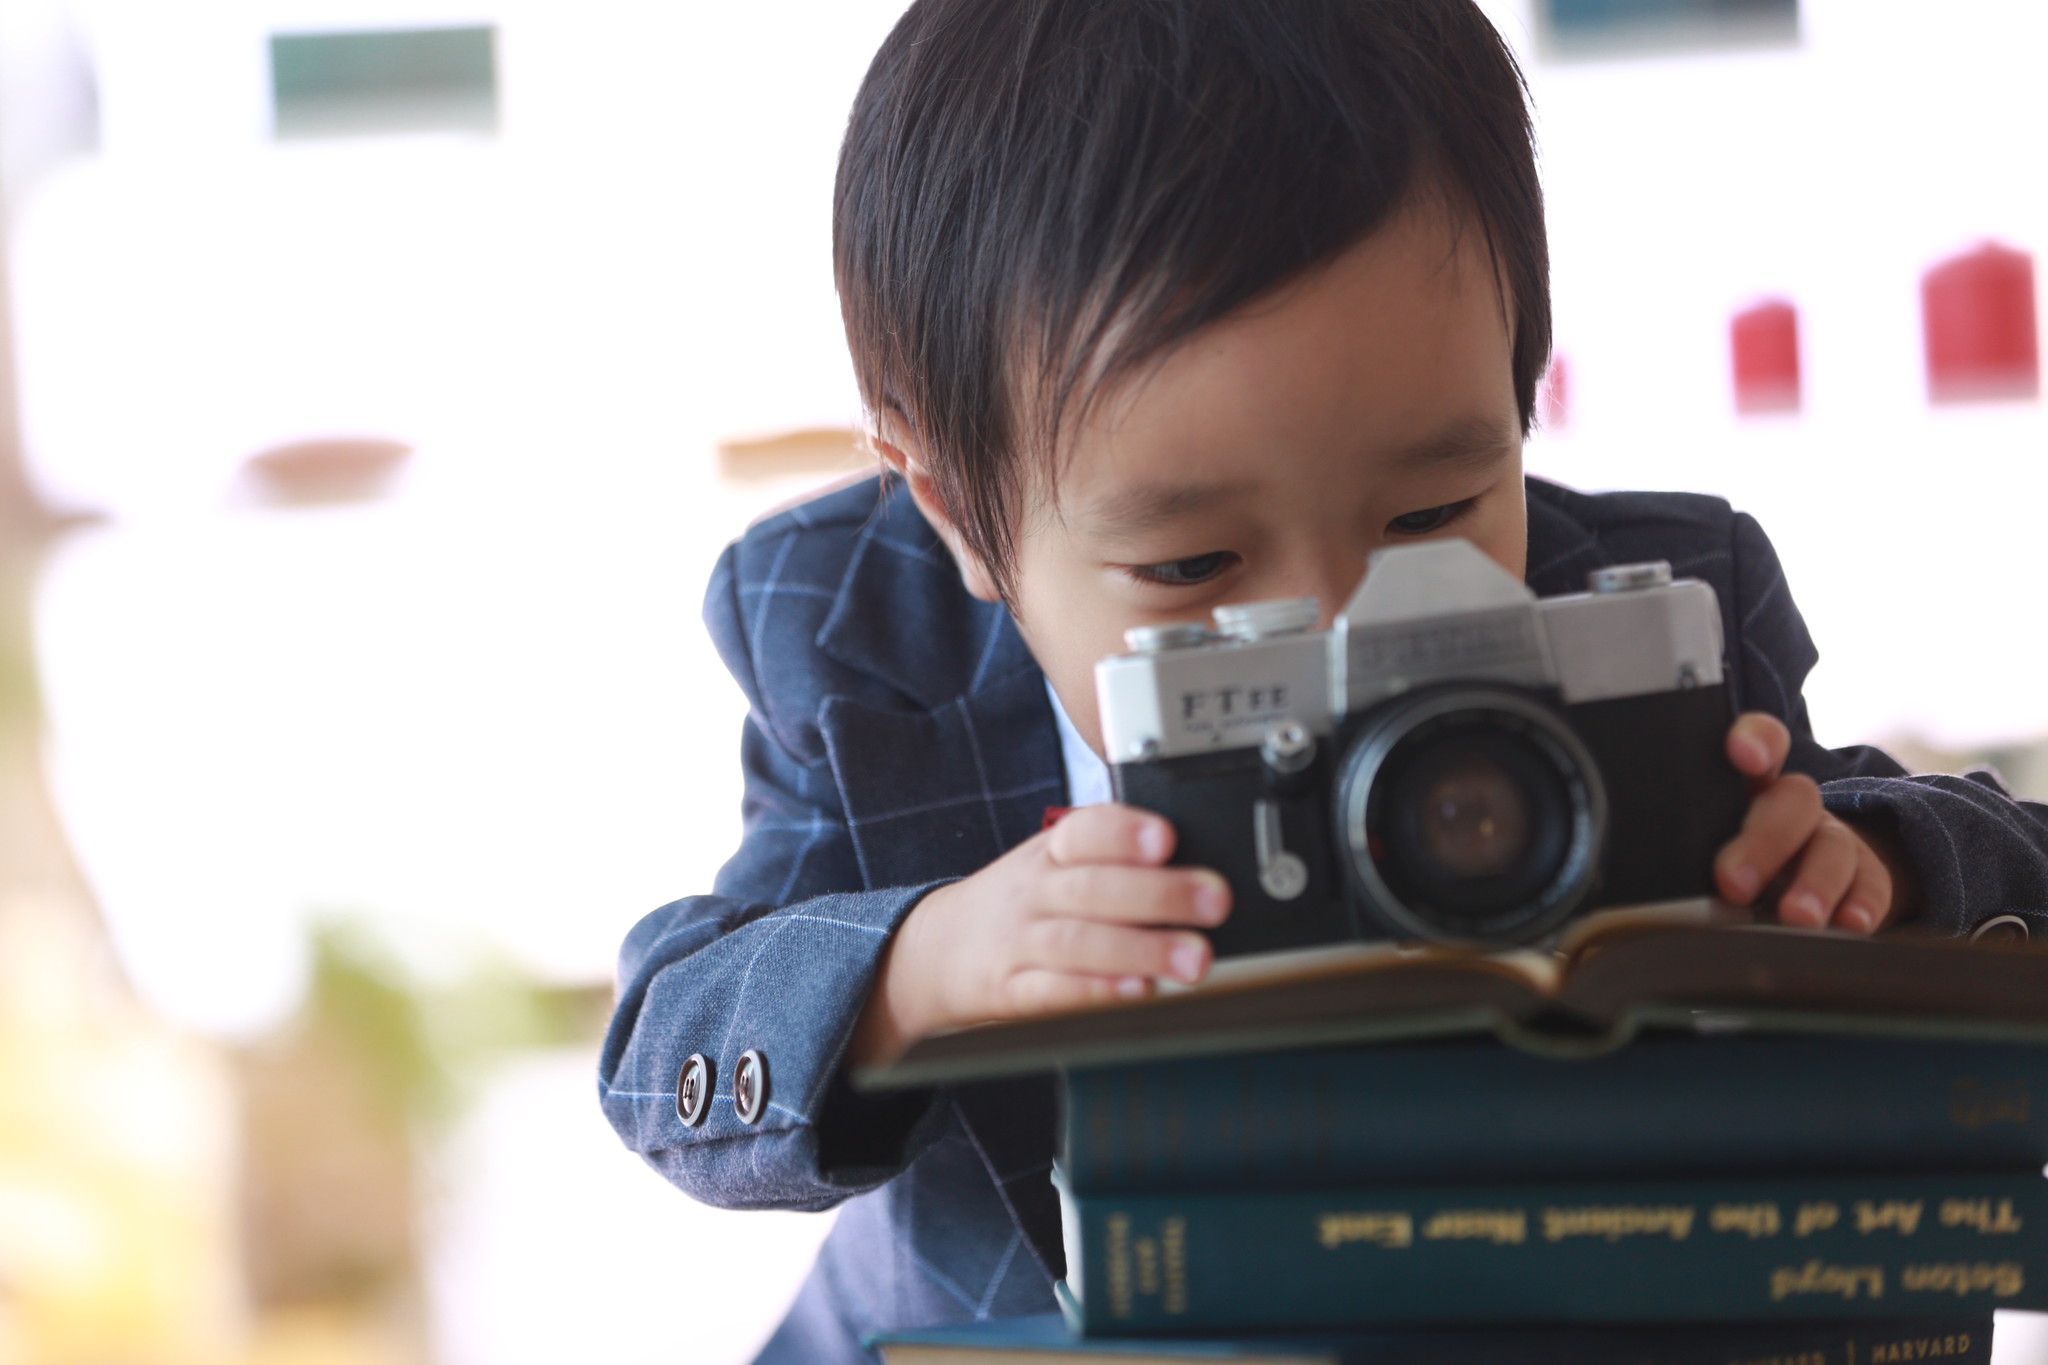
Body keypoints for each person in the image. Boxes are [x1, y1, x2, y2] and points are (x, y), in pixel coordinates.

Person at [599, 2, 2048, 1360]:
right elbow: (671, 1033)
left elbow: (2004, 867)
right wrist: (926, 967)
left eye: (1432, 517)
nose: (1337, 636)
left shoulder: (1663, 603)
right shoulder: (862, 640)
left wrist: (1869, 869)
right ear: (953, 514)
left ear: (1518, 386)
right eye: (1193, 565)